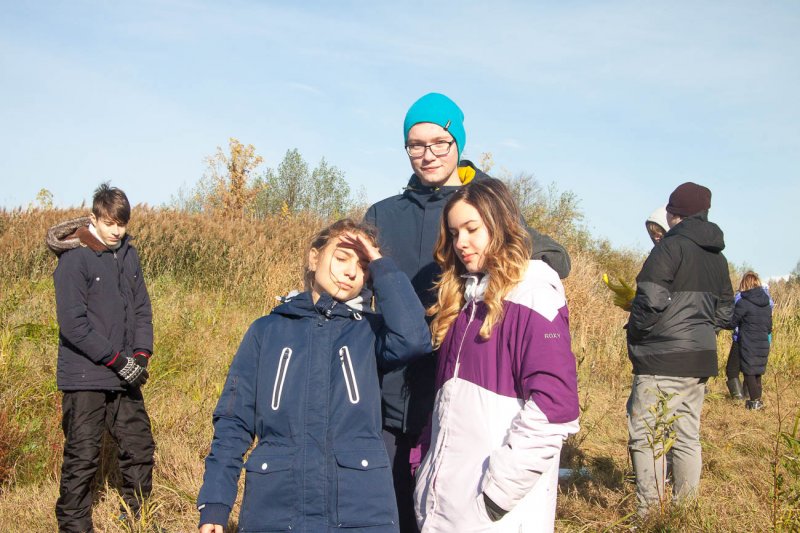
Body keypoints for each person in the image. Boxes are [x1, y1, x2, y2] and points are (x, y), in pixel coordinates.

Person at [364, 92, 571, 532]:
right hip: (390, 395)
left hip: (455, 391)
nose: (428, 154)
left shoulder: (476, 204)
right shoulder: (382, 214)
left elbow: (550, 256)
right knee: (388, 515)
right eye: (416, 145)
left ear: (457, 143)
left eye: (440, 142)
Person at [196, 219, 431, 533]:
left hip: (360, 509)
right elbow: (233, 421)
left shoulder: (369, 332)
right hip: (276, 508)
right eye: (342, 257)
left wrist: (381, 265)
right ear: (314, 258)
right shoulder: (267, 331)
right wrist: (215, 503)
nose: (351, 272)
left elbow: (414, 339)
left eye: (362, 266)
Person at [413, 178, 579, 532]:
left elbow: (554, 409)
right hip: (446, 505)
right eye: (454, 233)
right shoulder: (463, 303)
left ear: (500, 225)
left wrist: (495, 497)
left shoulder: (533, 296)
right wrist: (424, 463)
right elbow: (448, 405)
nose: (461, 243)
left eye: (472, 229)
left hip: (495, 513)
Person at [46, 183, 155, 533]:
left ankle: (135, 518)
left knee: (139, 446)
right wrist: (117, 360)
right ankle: (74, 526)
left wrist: (140, 356)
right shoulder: (74, 259)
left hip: (125, 372)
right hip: (85, 375)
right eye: (110, 223)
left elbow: (141, 309)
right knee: (83, 456)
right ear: (94, 218)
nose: (116, 231)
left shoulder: (128, 255)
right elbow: (73, 325)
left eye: (122, 224)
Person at [626, 182, 734, 516]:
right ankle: (684, 512)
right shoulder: (718, 258)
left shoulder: (670, 248)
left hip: (662, 358)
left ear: (674, 214)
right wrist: (698, 333)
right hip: (699, 359)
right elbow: (726, 314)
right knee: (687, 435)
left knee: (647, 435)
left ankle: (650, 514)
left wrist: (638, 333)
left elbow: (650, 300)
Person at [729, 271, 773, 410]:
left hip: (748, 342)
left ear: (745, 284)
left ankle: (755, 402)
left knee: (748, 372)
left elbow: (733, 322)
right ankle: (757, 401)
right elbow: (769, 327)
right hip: (763, 342)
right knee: (757, 372)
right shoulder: (766, 303)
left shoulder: (743, 302)